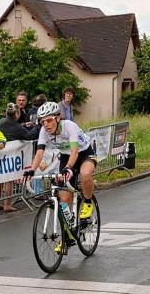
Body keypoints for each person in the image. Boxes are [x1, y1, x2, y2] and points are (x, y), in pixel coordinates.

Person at [24, 101, 97, 251]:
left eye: (49, 120)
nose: (46, 124)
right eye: (42, 121)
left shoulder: (69, 126)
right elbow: (39, 153)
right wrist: (31, 170)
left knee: (85, 174)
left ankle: (88, 202)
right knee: (64, 198)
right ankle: (67, 236)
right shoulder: (44, 131)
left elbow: (75, 152)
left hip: (84, 154)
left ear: (58, 118)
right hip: (66, 157)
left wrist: (68, 168)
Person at [0, 102, 39, 212]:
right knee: (9, 179)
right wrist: (37, 127)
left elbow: (11, 127)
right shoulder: (16, 126)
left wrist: (23, 125)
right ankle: (7, 204)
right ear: (17, 114)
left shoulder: (2, 121)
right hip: (11, 156)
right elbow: (29, 136)